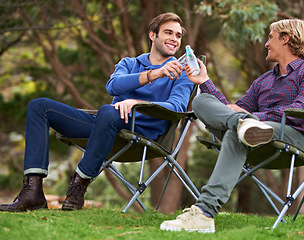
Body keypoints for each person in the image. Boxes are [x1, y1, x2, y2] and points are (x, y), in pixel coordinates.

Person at [0, 12, 194, 212]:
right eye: (168, 33)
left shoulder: (182, 72)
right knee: (39, 106)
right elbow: (112, 86)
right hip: (106, 125)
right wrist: (155, 73)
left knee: (108, 111)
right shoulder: (129, 63)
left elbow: (177, 107)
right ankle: (33, 192)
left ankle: (78, 186)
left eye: (178, 35)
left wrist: (136, 103)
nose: (174, 39)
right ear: (152, 35)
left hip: (140, 135)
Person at [160, 19, 304, 233]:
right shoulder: (264, 80)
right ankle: (243, 126)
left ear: (285, 39)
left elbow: (300, 113)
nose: (266, 44)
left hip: (295, 137)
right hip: (254, 135)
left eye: (271, 37)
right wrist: (204, 81)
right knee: (201, 102)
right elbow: (233, 109)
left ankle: (204, 212)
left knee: (239, 130)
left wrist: (253, 116)